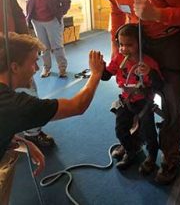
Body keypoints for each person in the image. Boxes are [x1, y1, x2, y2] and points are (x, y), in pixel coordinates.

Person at [78, 0, 180, 184]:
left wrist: (158, 14)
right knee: (134, 96)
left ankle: (171, 156)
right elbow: (115, 11)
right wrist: (115, 47)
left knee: (172, 102)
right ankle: (133, 144)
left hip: (170, 43)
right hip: (138, 41)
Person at [0, 32, 104, 205]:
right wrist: (95, 74)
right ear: (14, 67)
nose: (37, 68)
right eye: (34, 62)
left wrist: (21, 141)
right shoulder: (19, 106)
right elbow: (77, 106)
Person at [0, 0, 55, 147]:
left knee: (28, 87)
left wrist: (28, 47)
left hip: (14, 50)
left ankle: (32, 132)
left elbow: (18, 15)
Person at [101, 24, 163, 173]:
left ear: (140, 44)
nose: (124, 49)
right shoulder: (118, 59)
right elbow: (105, 76)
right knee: (120, 129)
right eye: (121, 44)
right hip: (126, 100)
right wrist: (99, 67)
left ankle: (151, 158)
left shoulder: (148, 62)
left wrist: (150, 72)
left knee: (148, 132)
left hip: (144, 102)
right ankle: (130, 150)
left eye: (129, 45)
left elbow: (160, 84)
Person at [26, 0, 71, 78]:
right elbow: (29, 3)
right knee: (43, 47)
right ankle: (46, 68)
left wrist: (59, 14)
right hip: (37, 22)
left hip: (52, 21)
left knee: (57, 46)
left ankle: (62, 68)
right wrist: (29, 18)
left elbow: (66, 2)